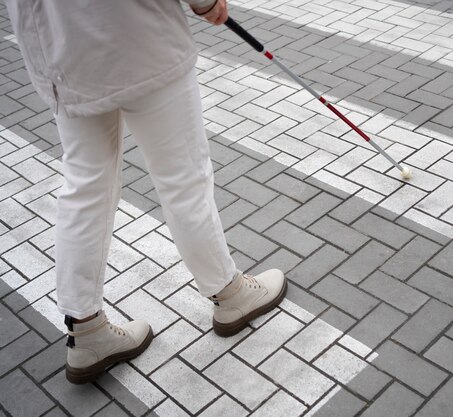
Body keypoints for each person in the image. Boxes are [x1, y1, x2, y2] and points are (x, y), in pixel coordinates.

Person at [5, 0, 287, 384]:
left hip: (61, 53)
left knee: (86, 187)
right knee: (183, 179)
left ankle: (86, 330)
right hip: (139, 36)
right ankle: (230, 293)